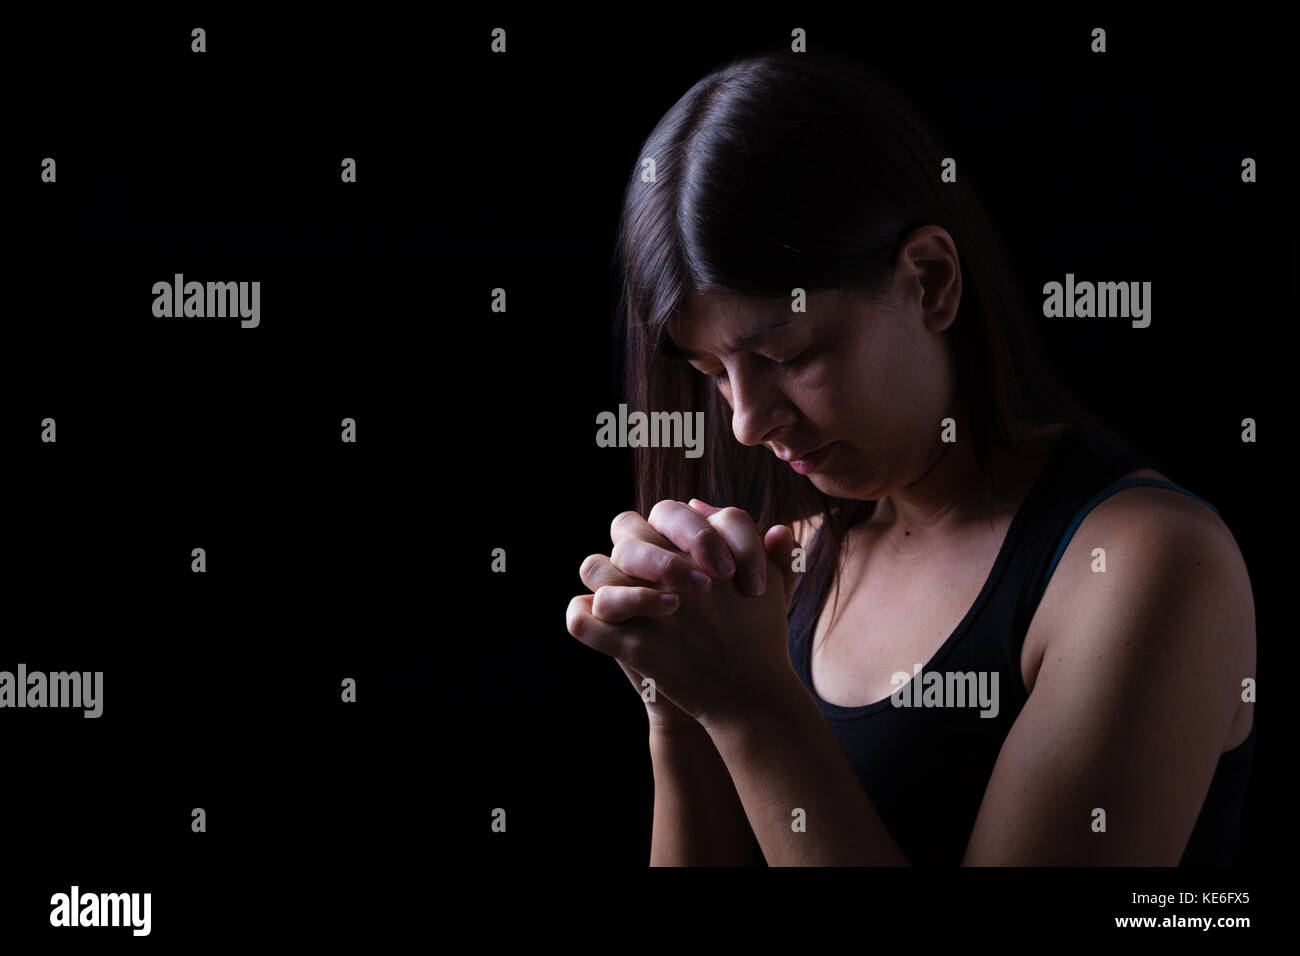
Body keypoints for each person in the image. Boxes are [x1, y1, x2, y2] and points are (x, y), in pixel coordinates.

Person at [564, 50, 1255, 866]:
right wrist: (681, 709)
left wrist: (753, 709)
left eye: (786, 355)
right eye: (715, 374)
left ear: (929, 282)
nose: (746, 423)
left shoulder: (1136, 565)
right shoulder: (792, 565)